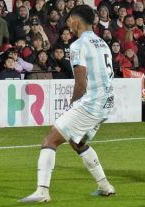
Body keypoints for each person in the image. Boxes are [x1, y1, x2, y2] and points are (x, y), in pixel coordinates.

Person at [19, 5, 115, 203]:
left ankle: (42, 191)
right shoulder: (102, 43)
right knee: (76, 141)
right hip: (106, 102)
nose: (68, 23)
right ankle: (105, 186)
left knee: (49, 140)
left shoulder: (78, 45)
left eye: (70, 19)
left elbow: (80, 83)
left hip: (91, 103)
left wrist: (72, 105)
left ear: (76, 21)